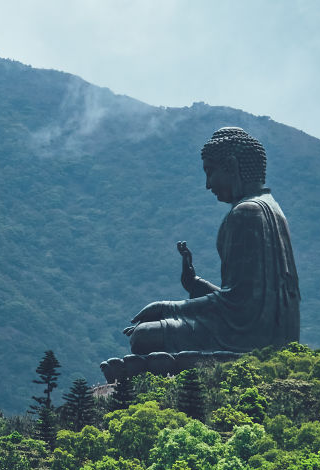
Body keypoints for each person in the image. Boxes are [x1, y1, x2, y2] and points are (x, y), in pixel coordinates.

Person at [124, 127, 300, 354]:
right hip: (271, 336)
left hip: (248, 340)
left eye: (210, 172)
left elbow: (239, 310)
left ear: (232, 166)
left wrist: (167, 308)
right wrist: (195, 284)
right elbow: (243, 300)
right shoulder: (272, 209)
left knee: (143, 336)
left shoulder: (247, 213)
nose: (208, 184)